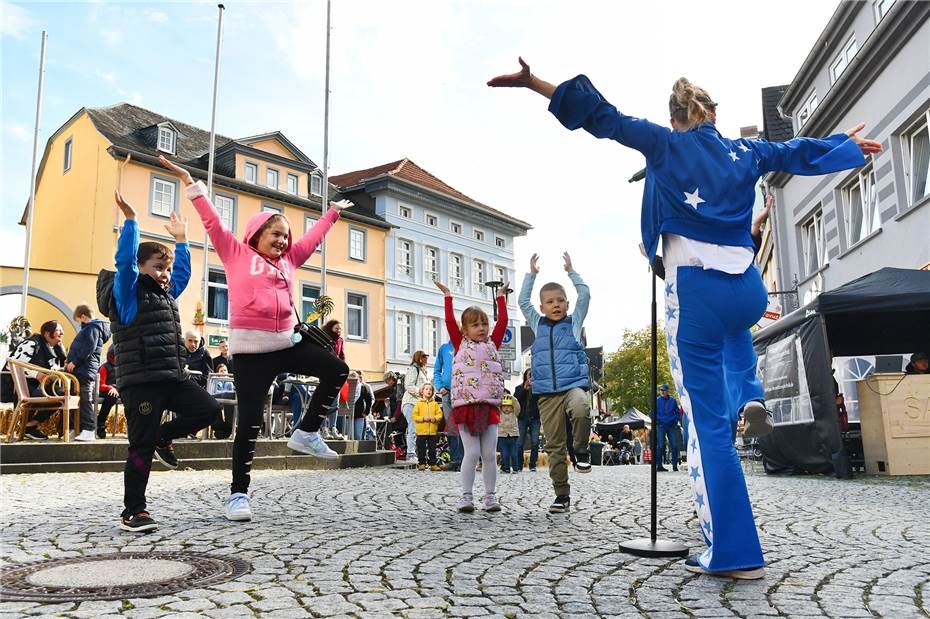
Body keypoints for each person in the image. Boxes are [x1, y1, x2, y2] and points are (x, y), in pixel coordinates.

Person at [489, 58, 880, 578]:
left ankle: (735, 554)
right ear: (714, 114)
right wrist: (846, 149)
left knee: (708, 427)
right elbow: (797, 151)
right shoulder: (747, 150)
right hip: (745, 287)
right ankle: (751, 395)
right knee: (735, 343)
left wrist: (535, 83)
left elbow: (601, 115)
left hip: (696, 290)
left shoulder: (666, 145)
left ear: (675, 118)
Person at [159, 155, 351, 523]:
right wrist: (190, 183)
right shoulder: (235, 254)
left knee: (336, 369)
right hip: (251, 353)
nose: (283, 241)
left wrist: (331, 214)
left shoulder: (290, 261)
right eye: (275, 234)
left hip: (285, 343)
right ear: (256, 234)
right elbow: (212, 220)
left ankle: (307, 431)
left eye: (285, 236)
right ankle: (237, 495)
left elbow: (311, 238)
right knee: (248, 423)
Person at [98, 190, 221, 532]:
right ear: (141, 268)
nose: (166, 274)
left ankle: (163, 437)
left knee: (209, 409)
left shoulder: (166, 294)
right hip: (141, 383)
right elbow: (123, 264)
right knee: (139, 446)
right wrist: (132, 221)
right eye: (158, 268)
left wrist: (182, 241)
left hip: (171, 375)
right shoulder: (128, 293)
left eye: (166, 269)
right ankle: (133, 511)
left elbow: (182, 274)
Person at [517, 251, 592, 514]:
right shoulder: (537, 324)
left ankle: (581, 449)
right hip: (547, 394)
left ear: (567, 305)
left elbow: (586, 296)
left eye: (560, 301)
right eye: (550, 302)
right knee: (555, 447)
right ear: (542, 308)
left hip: (573, 386)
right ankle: (562, 495)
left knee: (582, 407)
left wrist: (572, 272)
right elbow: (523, 301)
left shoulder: (574, 323)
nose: (556, 305)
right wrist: (532, 275)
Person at [435, 279, 508, 513]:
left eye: (484, 324)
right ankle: (466, 496)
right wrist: (448, 296)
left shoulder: (493, 343)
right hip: (465, 406)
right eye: (475, 325)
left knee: (488, 454)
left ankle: (490, 496)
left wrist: (501, 298)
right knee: (472, 452)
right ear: (464, 330)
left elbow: (503, 322)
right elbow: (448, 321)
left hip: (488, 407)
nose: (482, 328)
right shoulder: (459, 343)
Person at [5, 320, 67, 440]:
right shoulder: (31, 343)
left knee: (64, 394)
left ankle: (30, 425)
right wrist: (36, 374)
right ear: (47, 333)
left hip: (40, 387)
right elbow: (11, 364)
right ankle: (28, 427)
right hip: (23, 387)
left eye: (61, 330)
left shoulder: (56, 349)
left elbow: (52, 370)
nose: (62, 333)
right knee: (59, 394)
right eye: (58, 330)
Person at [64, 304, 112, 442]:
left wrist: (75, 362)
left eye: (78, 320)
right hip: (81, 369)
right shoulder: (91, 328)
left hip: (84, 369)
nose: (79, 324)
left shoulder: (92, 328)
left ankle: (89, 429)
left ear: (83, 317)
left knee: (85, 400)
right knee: (78, 399)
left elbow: (88, 347)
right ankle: (75, 428)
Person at [434, 339, 462, 471]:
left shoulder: (467, 346)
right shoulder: (444, 348)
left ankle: (465, 460)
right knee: (451, 428)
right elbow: (436, 370)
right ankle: (455, 460)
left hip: (462, 393)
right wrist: (439, 387)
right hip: (446, 393)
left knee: (463, 427)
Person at [401, 350, 430, 463]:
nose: (426, 358)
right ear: (419, 358)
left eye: (427, 356)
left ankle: (417, 454)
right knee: (413, 428)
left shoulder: (424, 371)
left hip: (419, 404)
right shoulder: (414, 369)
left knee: (419, 430)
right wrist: (422, 392)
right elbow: (408, 386)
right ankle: (410, 454)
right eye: (424, 356)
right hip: (410, 403)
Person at [321, 319, 347, 439]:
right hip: (326, 373)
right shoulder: (325, 337)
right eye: (336, 328)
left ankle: (333, 428)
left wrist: (343, 366)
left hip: (337, 373)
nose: (339, 331)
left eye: (340, 329)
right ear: (330, 328)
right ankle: (323, 428)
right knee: (324, 402)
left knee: (335, 403)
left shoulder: (340, 340)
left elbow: (342, 355)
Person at [514, 369, 541, 472]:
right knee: (519, 442)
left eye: (532, 375)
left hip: (535, 417)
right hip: (522, 417)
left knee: (535, 442)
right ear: (525, 376)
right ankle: (519, 465)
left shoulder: (538, 389)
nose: (530, 377)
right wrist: (525, 389)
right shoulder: (519, 388)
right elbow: (516, 400)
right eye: (528, 375)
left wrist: (534, 388)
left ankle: (533, 465)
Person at [412, 382, 443, 471]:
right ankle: (421, 463)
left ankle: (433, 464)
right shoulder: (418, 404)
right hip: (421, 431)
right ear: (422, 391)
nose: (428, 391)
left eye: (430, 389)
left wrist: (435, 418)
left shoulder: (435, 404)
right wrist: (423, 418)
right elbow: (414, 416)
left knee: (432, 449)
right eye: (426, 389)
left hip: (432, 431)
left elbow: (440, 414)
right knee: (421, 448)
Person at [655, 384, 681, 472]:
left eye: (664, 390)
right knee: (660, 446)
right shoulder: (656, 400)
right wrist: (658, 421)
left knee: (674, 445)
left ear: (667, 391)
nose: (662, 391)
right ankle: (659, 466)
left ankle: (675, 465)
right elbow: (651, 413)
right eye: (660, 390)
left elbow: (678, 413)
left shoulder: (673, 401)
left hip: (671, 426)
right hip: (661, 426)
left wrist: (674, 420)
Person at [96, 348, 119, 438]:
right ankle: (100, 424)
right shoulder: (104, 367)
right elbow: (100, 385)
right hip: (106, 391)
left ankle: (133, 425)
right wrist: (110, 388)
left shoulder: (122, 367)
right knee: (112, 396)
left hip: (119, 390)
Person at [497, 393, 521, 474]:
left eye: (508, 406)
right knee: (505, 454)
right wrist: (501, 397)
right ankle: (506, 468)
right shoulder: (499, 413)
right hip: (502, 436)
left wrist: (512, 398)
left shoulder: (514, 413)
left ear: (512, 407)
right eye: (504, 406)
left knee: (514, 453)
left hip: (513, 436)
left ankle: (515, 468)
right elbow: (497, 405)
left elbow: (517, 405)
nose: (506, 408)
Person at [354, 370, 374, 440]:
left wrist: (366, 412)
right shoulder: (349, 386)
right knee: (349, 436)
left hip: (360, 414)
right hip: (348, 415)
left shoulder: (365, 386)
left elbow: (370, 399)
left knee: (358, 436)